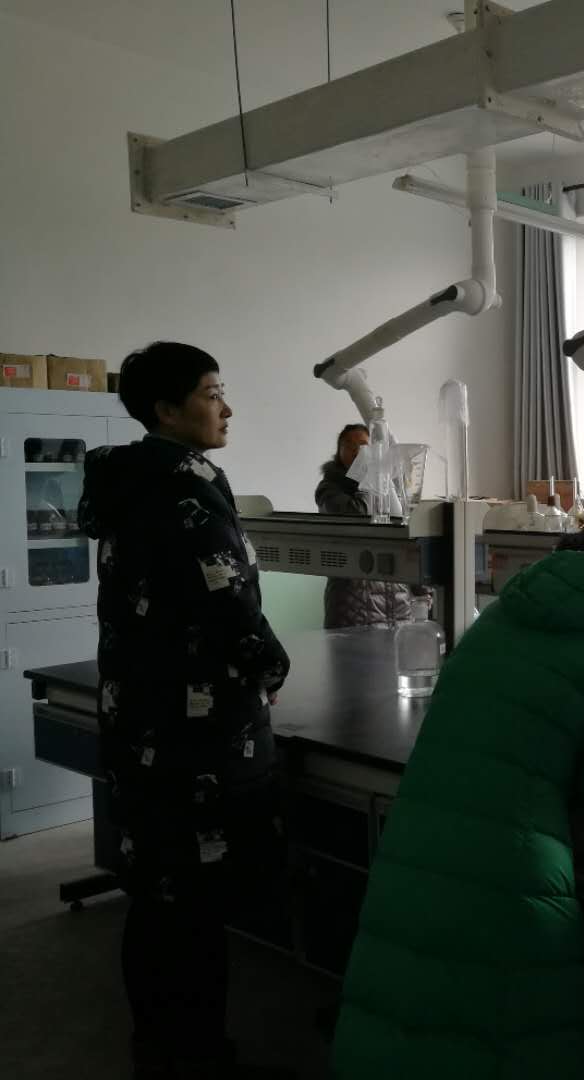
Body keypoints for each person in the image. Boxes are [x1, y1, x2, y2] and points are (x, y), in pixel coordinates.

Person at [331, 518, 584, 1079]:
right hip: (510, 871)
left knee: (406, 1005)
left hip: (418, 843)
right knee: (508, 1035)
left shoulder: (507, 610)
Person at [78, 341, 292, 1078]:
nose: (226, 408)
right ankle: (200, 1059)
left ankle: (160, 1051)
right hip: (197, 741)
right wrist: (272, 667)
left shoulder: (128, 483)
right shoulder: (185, 490)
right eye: (211, 393)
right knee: (195, 913)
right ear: (168, 410)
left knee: (158, 901)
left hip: (141, 721)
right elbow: (229, 604)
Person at [314, 423, 414, 627]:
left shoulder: (389, 486)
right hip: (354, 601)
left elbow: (408, 532)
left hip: (398, 600)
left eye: (363, 446)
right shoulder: (329, 488)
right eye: (350, 446)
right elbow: (357, 514)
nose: (358, 452)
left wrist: (422, 591)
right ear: (339, 452)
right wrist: (370, 478)